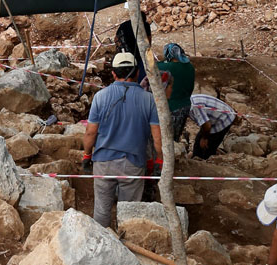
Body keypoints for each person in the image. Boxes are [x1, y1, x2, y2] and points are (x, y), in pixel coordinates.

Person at [83, 52, 162, 228]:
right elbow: (157, 136)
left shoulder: (100, 97)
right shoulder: (148, 100)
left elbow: (90, 133)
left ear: (113, 73)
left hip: (103, 162)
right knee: (128, 211)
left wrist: (87, 155)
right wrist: (159, 159)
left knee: (102, 209)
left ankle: (100, 244)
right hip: (133, 164)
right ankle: (126, 246)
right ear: (136, 73)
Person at [156, 43, 196, 142]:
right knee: (175, 137)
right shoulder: (190, 67)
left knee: (166, 137)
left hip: (172, 107)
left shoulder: (168, 67)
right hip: (185, 105)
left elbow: (153, 66)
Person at [188, 94, 237, 159]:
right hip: (219, 115)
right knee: (198, 141)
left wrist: (204, 138)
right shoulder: (189, 100)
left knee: (208, 145)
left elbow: (207, 126)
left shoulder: (195, 107)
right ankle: (197, 157)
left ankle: (204, 161)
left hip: (224, 119)